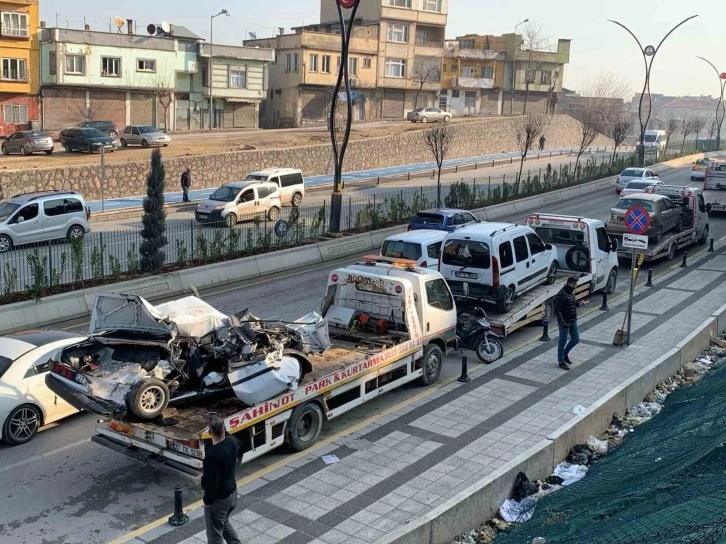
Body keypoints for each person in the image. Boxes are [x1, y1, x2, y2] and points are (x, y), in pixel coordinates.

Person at [202, 416, 241, 544]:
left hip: (219, 500)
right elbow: (229, 436)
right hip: (232, 494)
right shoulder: (232, 441)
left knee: (214, 537)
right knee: (223, 523)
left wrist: (207, 500)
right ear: (225, 429)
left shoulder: (212, 455)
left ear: (209, 432)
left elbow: (212, 482)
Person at [554, 277, 586, 370]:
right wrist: (562, 322)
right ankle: (561, 361)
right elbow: (557, 310)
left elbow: (570, 303)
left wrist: (578, 303)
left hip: (573, 319)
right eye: (574, 284)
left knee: (576, 339)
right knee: (562, 341)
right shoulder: (561, 294)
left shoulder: (570, 292)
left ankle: (565, 354)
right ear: (570, 283)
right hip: (564, 322)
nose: (576, 286)